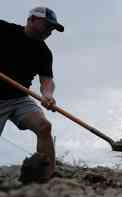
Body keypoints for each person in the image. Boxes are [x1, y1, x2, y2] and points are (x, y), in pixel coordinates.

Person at [0, 7, 64, 180]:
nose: (50, 32)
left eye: (52, 29)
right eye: (47, 26)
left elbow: (46, 81)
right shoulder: (5, 30)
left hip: (19, 99)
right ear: (32, 20)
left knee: (44, 127)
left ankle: (48, 176)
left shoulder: (44, 52)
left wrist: (48, 95)